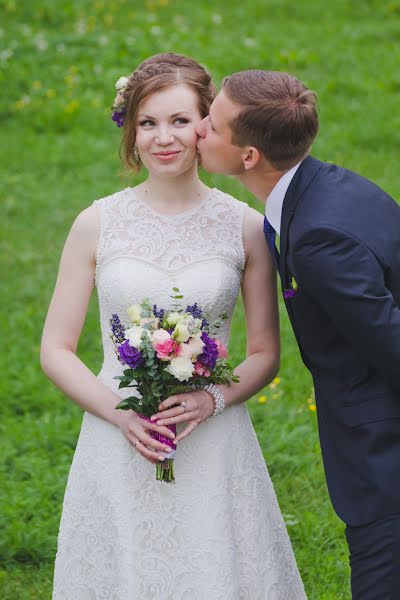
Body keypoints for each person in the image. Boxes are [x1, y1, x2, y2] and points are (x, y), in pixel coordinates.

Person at [41, 54, 306, 599]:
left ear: (206, 126)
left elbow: (264, 353)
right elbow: (56, 348)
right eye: (148, 122)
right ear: (131, 131)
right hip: (120, 432)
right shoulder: (96, 223)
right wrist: (120, 415)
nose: (164, 138)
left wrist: (212, 399)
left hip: (210, 433)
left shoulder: (247, 228)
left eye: (180, 121)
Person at [196, 69, 400, 599]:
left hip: (384, 456)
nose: (197, 129)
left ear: (249, 157)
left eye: (212, 125)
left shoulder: (317, 238)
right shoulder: (334, 187)